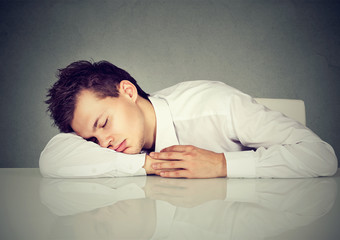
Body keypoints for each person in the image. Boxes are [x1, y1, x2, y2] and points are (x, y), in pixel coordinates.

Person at [40, 60, 338, 178]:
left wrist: (221, 164)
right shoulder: (122, 148)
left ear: (128, 92)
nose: (103, 143)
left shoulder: (217, 106)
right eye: (92, 140)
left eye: (103, 124)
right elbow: (53, 158)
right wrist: (150, 163)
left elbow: (321, 156)